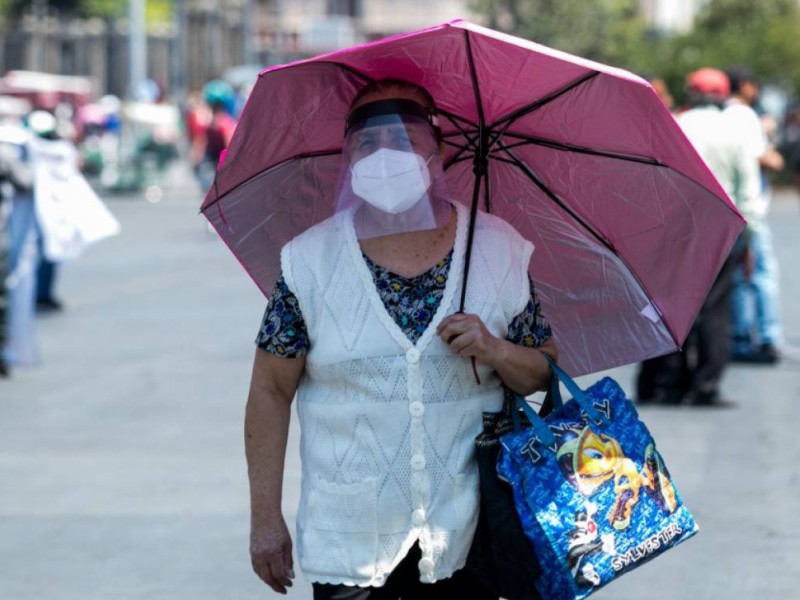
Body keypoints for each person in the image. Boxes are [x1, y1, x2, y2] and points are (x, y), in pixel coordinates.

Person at [245, 78, 557, 598]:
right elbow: (270, 391)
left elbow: (543, 372)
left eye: (404, 137)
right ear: (347, 158)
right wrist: (264, 521)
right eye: (367, 142)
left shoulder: (498, 249)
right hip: (351, 537)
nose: (384, 153)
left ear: (438, 154)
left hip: (470, 536)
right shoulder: (309, 260)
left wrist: (495, 347)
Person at [636, 68, 760, 407]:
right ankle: (705, 385)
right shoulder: (734, 134)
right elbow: (748, 194)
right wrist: (749, 240)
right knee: (715, 307)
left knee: (672, 303)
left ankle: (667, 381)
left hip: (675, 226)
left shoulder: (674, 124)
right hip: (721, 226)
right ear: (722, 97)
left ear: (691, 94)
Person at [724, 67, 785, 364]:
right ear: (745, 86)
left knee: (737, 275)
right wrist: (774, 150)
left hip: (731, 208)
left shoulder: (724, 115)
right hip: (752, 209)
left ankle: (739, 335)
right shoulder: (745, 116)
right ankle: (768, 336)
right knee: (761, 274)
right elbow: (761, 157)